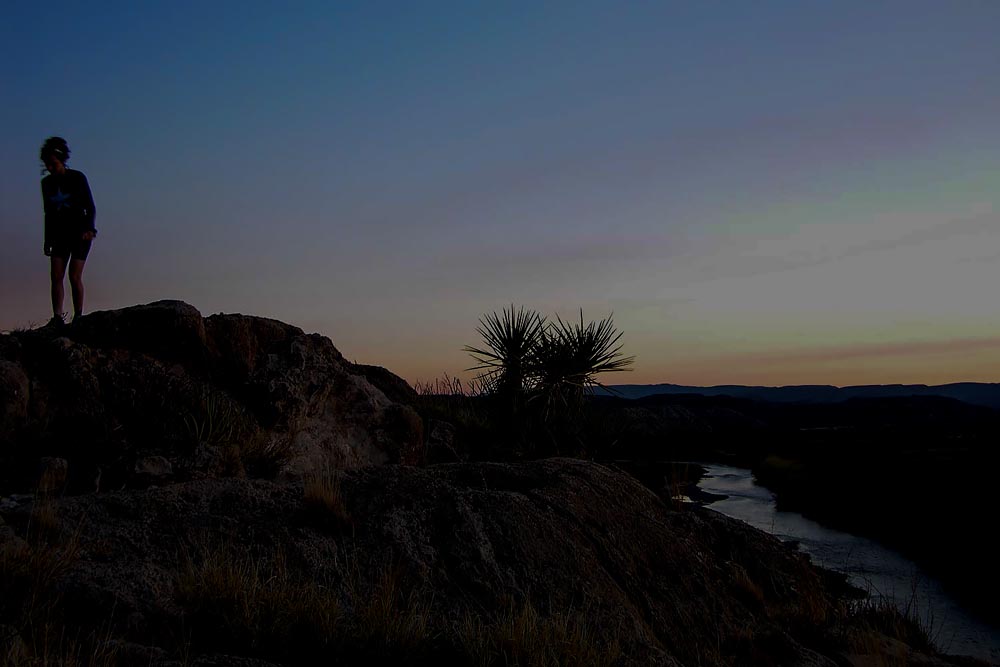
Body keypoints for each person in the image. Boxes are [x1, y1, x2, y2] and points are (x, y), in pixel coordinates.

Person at [40, 136, 97, 325]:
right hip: (58, 235)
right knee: (56, 276)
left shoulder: (77, 178)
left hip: (80, 233)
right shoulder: (47, 184)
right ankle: (57, 317)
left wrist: (90, 229)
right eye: (47, 164)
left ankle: (78, 315)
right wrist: (47, 240)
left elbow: (90, 206)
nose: (50, 168)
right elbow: (48, 213)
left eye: (53, 164)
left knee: (74, 275)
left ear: (62, 160)